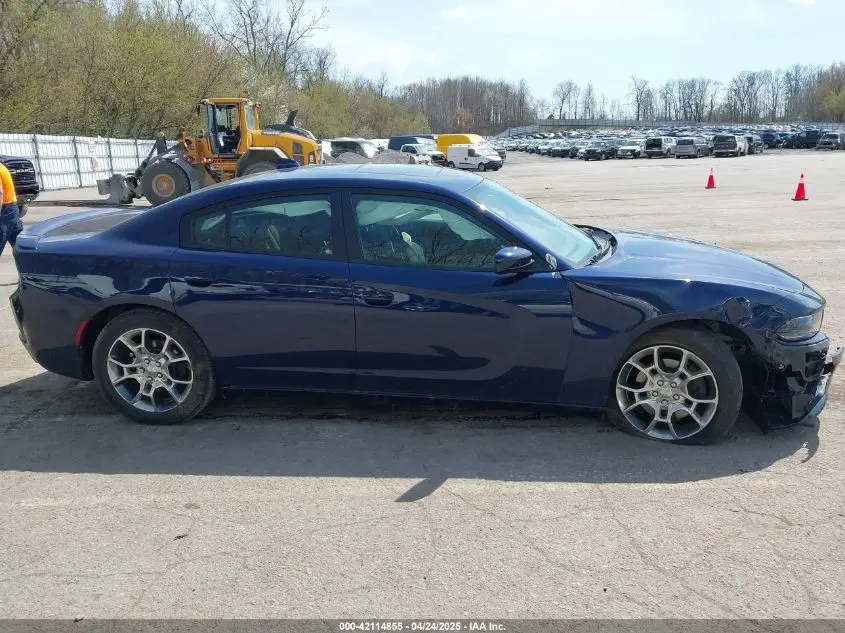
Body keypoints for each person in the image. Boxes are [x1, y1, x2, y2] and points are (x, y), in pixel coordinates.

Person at [0, 161, 24, 256]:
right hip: (13, 208)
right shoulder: (1, 166)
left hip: (5, 210)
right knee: (20, 244)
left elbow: (0, 193)